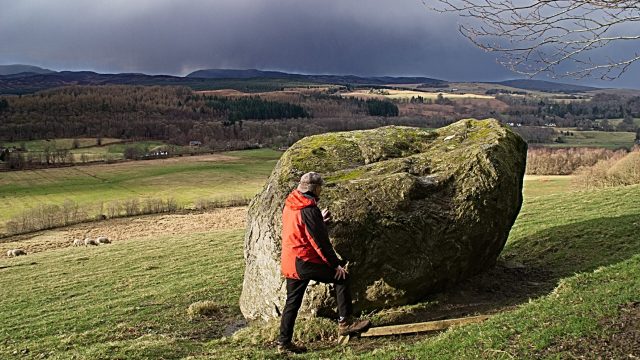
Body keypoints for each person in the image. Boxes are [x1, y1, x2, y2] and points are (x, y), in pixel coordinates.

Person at [277, 172, 370, 354]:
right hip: (304, 261)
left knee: (292, 303)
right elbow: (319, 242)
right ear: (315, 189)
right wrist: (335, 265)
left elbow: (302, 227)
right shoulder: (309, 210)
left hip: (290, 261)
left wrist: (319, 220)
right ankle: (345, 322)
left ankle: (284, 344)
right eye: (320, 188)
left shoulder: (292, 204)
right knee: (341, 278)